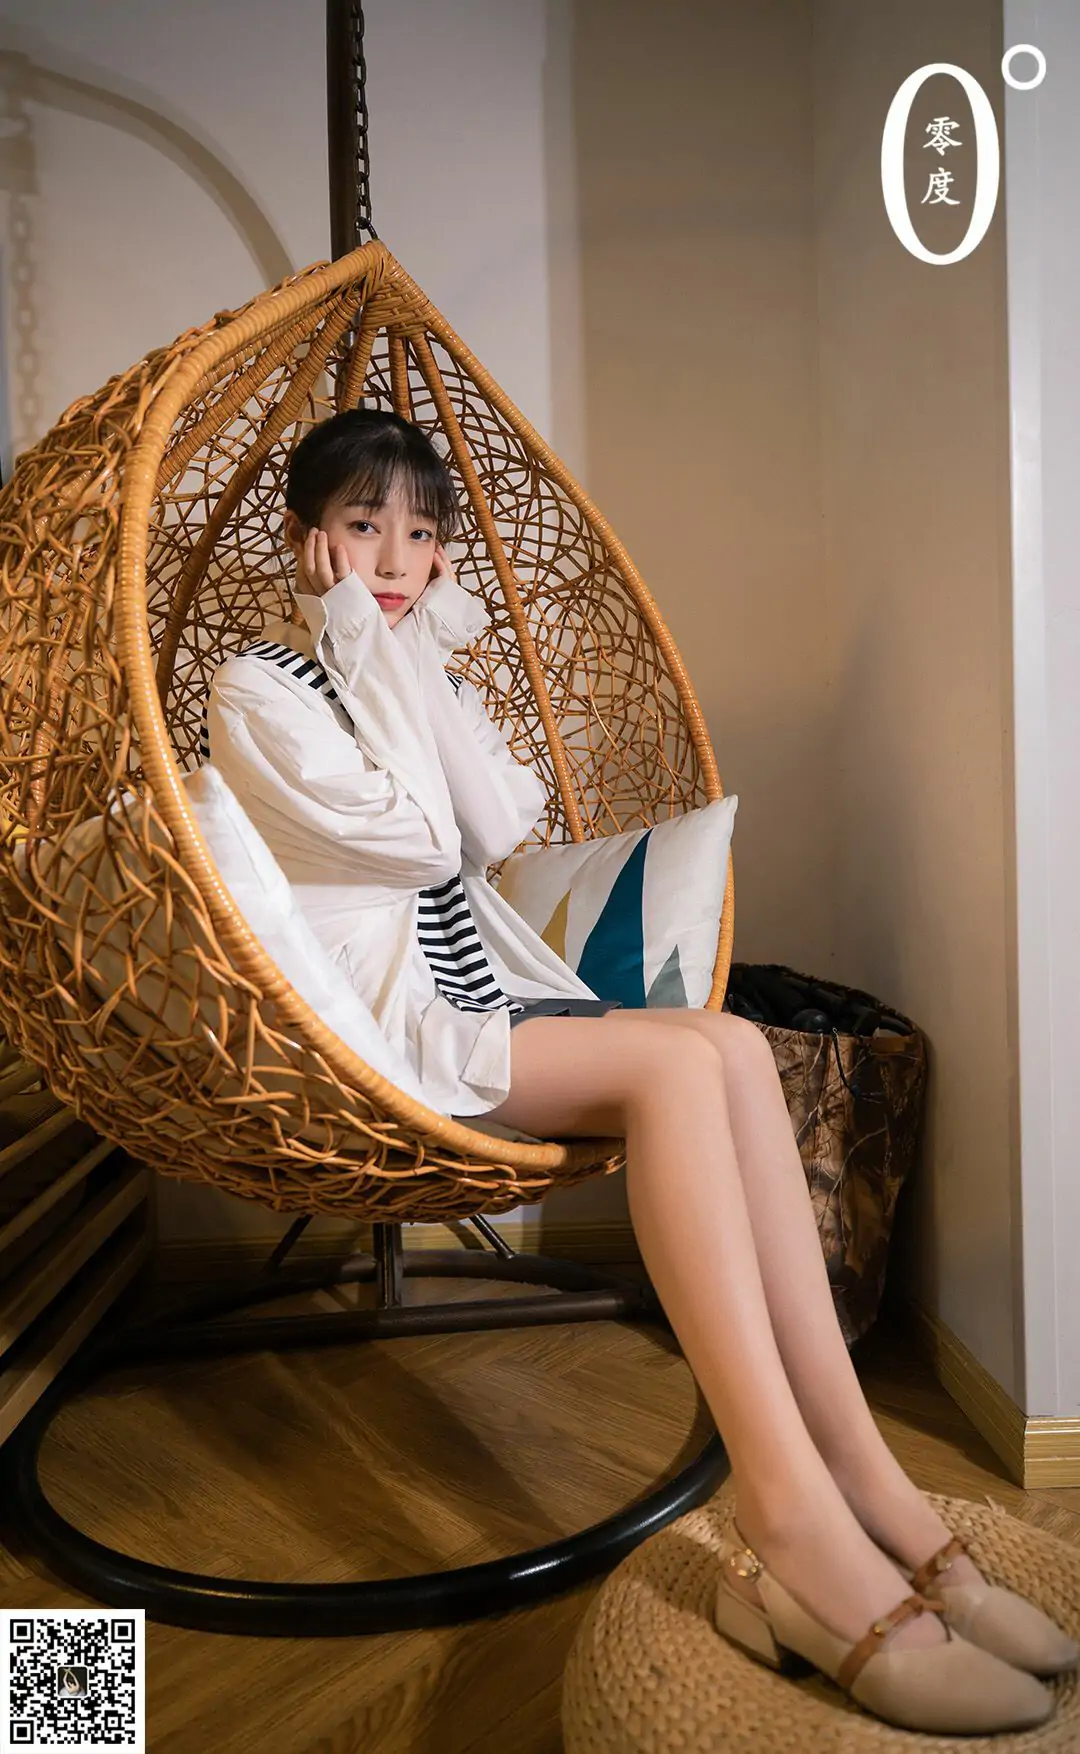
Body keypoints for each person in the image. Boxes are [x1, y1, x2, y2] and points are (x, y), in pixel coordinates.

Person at [204, 410, 1072, 1735]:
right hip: (381, 1028)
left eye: (420, 534)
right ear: (305, 537)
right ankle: (792, 1521)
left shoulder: (400, 660)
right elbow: (421, 839)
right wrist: (366, 642)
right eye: (364, 525)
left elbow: (500, 821)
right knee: (674, 1078)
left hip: (480, 993)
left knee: (731, 1043)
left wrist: (412, 658)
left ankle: (870, 1484)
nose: (393, 559)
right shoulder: (259, 687)